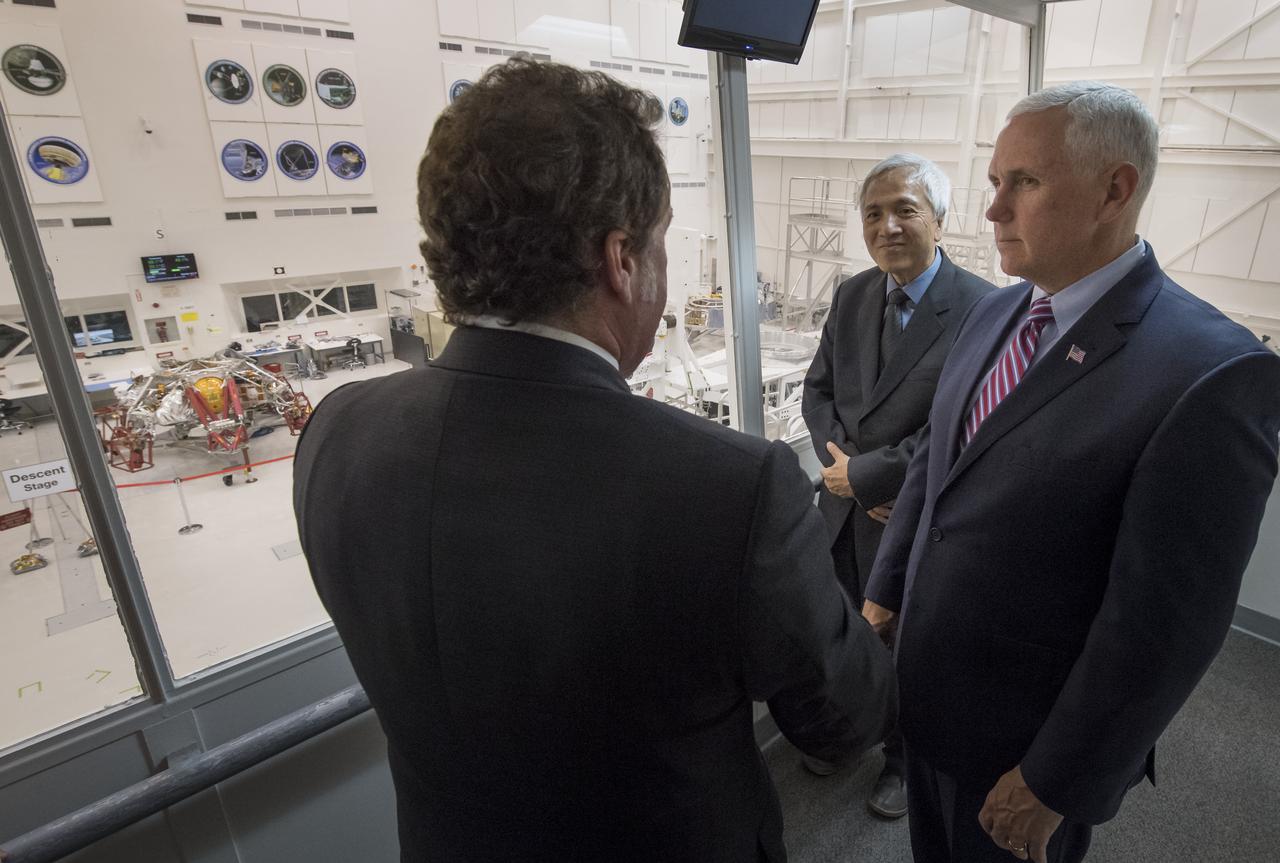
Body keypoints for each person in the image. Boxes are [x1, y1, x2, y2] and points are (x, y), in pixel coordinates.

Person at [293, 58, 896, 863]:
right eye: (662, 244)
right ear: (621, 259)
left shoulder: (336, 430)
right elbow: (843, 719)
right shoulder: (727, 486)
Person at [862, 81, 1280, 863]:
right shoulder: (998, 308)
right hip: (927, 697)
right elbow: (937, 461)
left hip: (1024, 748)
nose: (993, 210)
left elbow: (1165, 625)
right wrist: (885, 592)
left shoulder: (1210, 373)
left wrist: (1058, 780)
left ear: (1114, 190)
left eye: (1024, 182)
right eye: (994, 183)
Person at [801, 154, 994, 815]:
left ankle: (901, 760)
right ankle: (847, 732)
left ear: (939, 221)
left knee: (909, 645)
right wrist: (841, 469)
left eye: (905, 210)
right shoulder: (854, 293)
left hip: (909, 517)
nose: (887, 226)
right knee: (844, 634)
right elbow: (819, 387)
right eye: (873, 213)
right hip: (845, 510)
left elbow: (969, 421)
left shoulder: (983, 309)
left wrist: (869, 474)